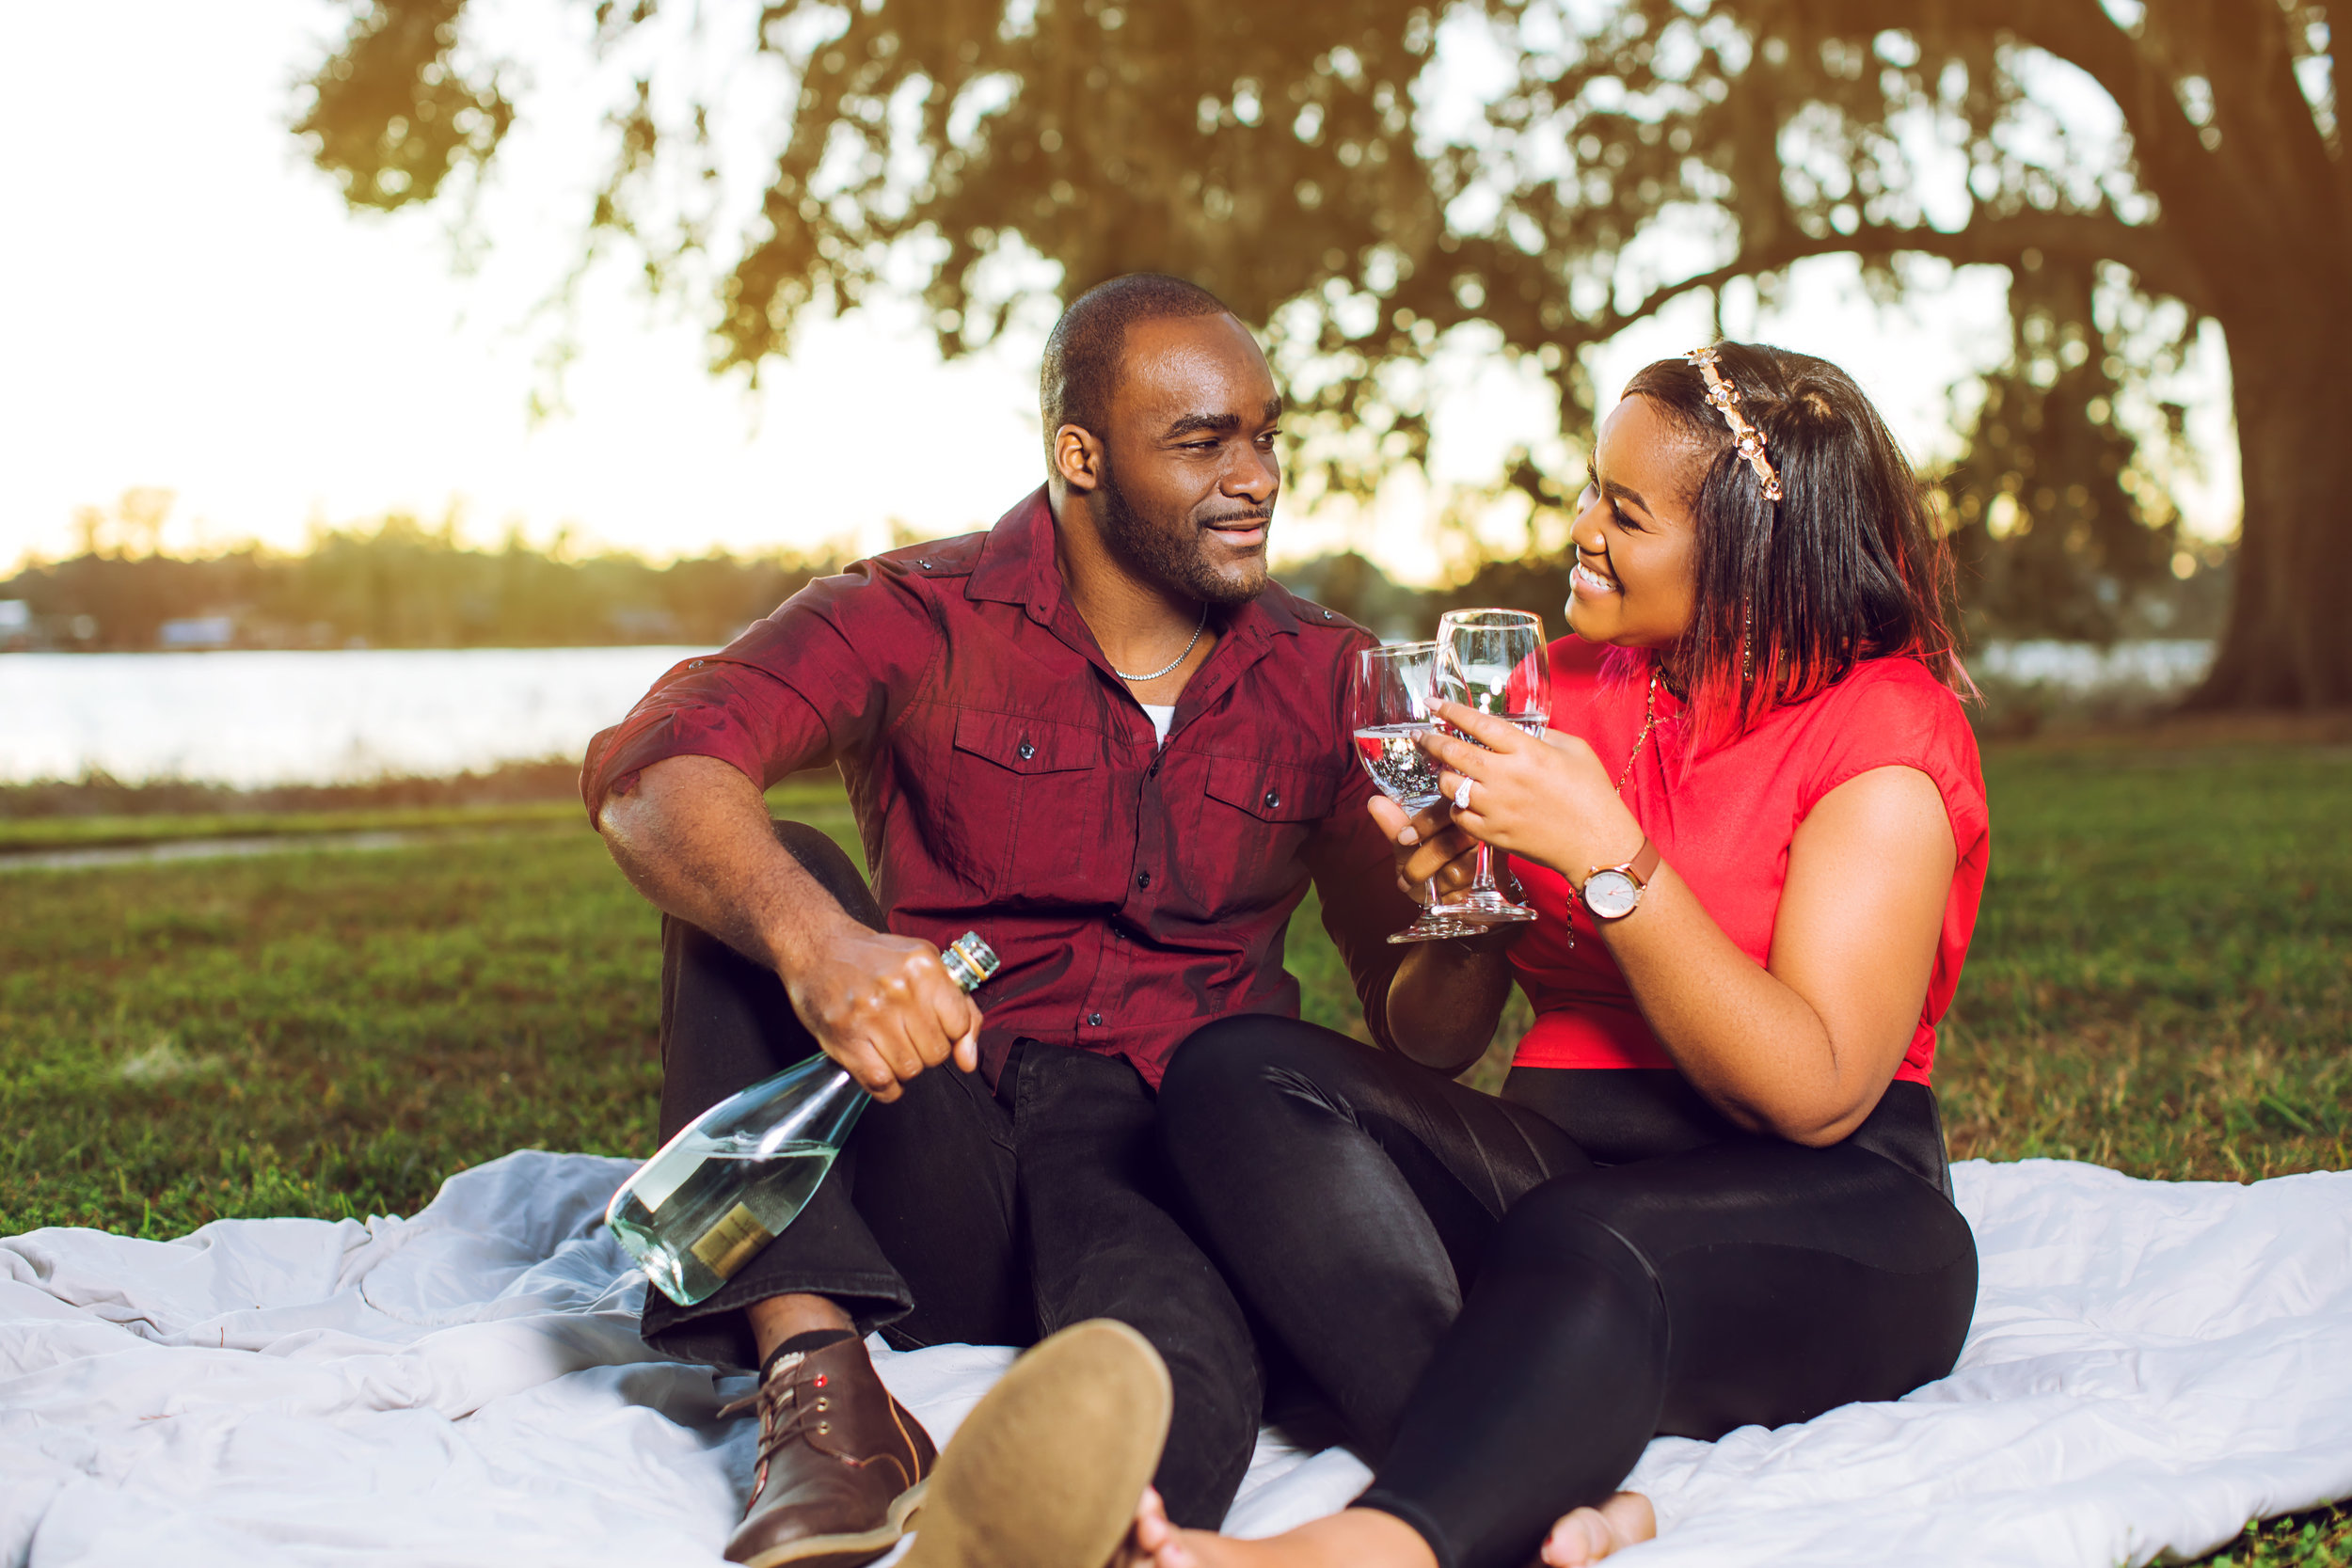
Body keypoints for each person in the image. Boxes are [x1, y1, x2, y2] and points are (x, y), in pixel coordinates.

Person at [580, 274, 1503, 1568]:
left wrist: (1468, 908)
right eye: (1200, 442)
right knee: (764, 872)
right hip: (941, 1132)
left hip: (1181, 1152)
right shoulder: (916, 616)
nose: (1253, 477)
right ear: (1080, 455)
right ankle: (825, 1396)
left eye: (1263, 434)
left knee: (1164, 1361)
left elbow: (1429, 1041)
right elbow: (653, 767)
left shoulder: (1330, 673)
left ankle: (1076, 1543)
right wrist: (824, 943)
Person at [1067, 341, 1984, 1568]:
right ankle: (1552, 1485)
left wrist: (1611, 860)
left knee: (1592, 1236)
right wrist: (1464, 907)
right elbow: (1443, 1038)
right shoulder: (1557, 690)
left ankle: (1381, 1545)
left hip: (1839, 1215)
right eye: (1592, 492)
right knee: (1233, 1073)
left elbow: (1815, 1093)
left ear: (1747, 552)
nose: (1583, 531)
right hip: (1567, 1173)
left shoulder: (1881, 731)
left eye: (1626, 510)